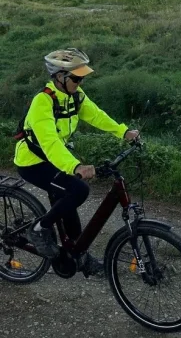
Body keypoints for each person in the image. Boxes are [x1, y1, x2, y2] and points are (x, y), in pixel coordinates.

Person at [14, 48, 139, 275]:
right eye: (76, 78)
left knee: (68, 199)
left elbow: (96, 115)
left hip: (56, 157)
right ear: (60, 77)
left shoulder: (75, 96)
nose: (80, 82)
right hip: (33, 162)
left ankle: (77, 254)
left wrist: (124, 132)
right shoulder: (42, 102)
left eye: (82, 77)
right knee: (78, 190)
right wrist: (75, 166)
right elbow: (50, 142)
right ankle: (38, 228)